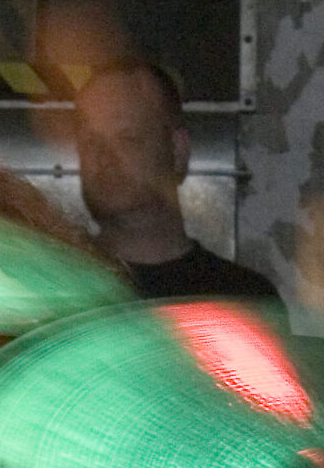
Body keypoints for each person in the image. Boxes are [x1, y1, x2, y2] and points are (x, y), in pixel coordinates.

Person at [70, 60, 279, 301]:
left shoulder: (243, 299)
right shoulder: (56, 293)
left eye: (128, 139)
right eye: (91, 142)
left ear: (178, 150)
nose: (105, 157)